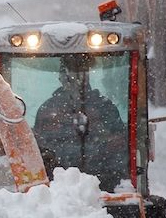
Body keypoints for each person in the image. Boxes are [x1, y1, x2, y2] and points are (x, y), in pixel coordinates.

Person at [31, 56, 130, 190]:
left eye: (76, 74)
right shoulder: (47, 111)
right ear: (60, 78)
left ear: (87, 76)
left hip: (105, 183)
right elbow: (38, 146)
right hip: (53, 185)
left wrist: (101, 148)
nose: (71, 79)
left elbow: (120, 146)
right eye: (66, 75)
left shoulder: (105, 108)